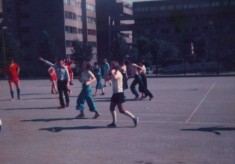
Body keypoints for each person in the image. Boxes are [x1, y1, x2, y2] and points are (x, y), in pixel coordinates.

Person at [107, 61, 139, 128]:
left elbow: (115, 77)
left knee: (122, 110)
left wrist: (112, 72)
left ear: (114, 67)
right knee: (111, 108)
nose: (110, 66)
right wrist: (108, 74)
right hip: (115, 93)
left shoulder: (118, 73)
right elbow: (107, 78)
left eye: (111, 66)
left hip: (119, 93)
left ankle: (134, 118)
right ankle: (114, 122)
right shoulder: (114, 72)